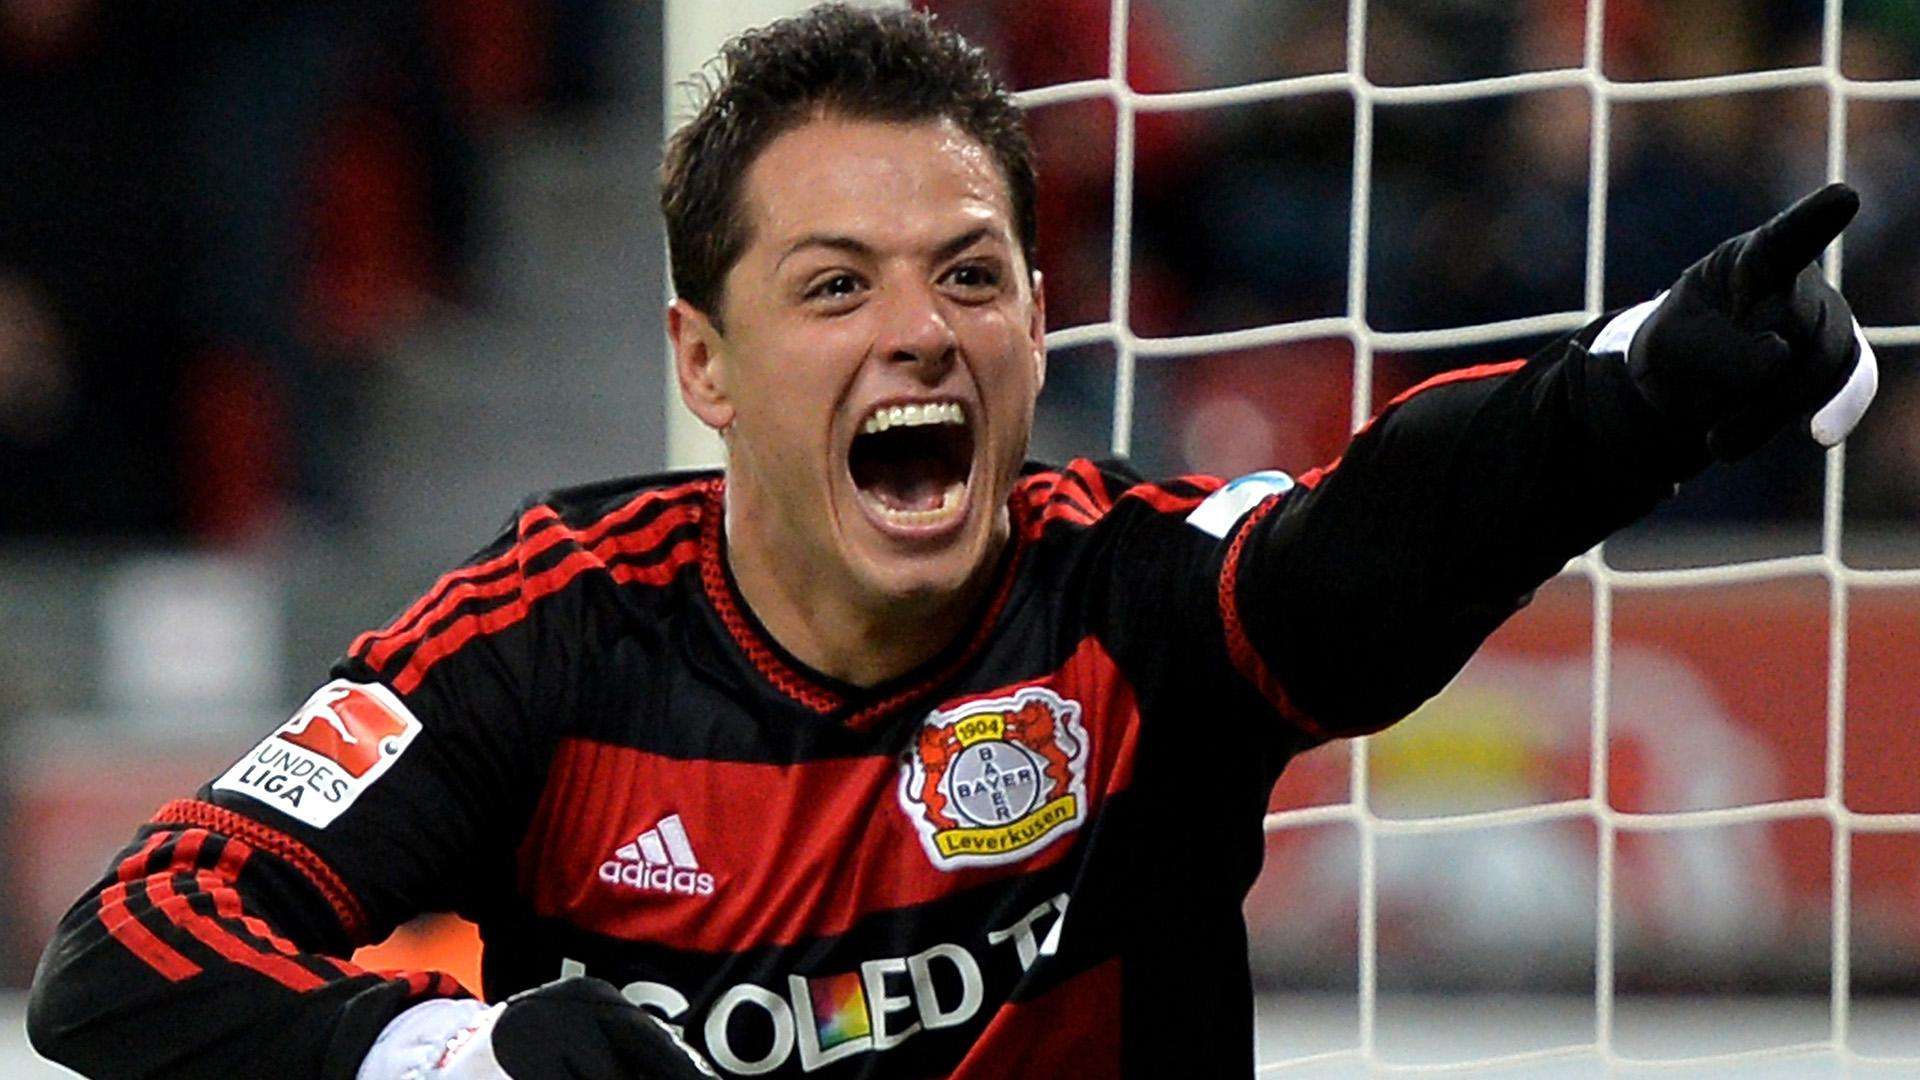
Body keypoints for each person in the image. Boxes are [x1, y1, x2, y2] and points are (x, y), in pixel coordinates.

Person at [26, 5, 1876, 1078]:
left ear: (1037, 330)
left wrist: (1640, 388)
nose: (920, 331)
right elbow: (129, 952)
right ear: (704, 364)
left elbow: (1375, 548)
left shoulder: (1131, 596)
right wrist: (456, 1056)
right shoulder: (550, 631)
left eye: (972, 276)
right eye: (836, 285)